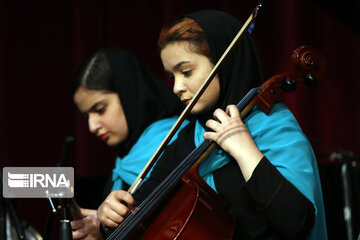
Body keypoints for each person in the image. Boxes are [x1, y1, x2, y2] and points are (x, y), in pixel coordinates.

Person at [97, 10, 327, 239]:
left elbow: (296, 221)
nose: (177, 87)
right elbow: (140, 212)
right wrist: (112, 217)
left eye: (186, 71)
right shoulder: (191, 138)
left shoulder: (273, 128)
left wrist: (246, 151)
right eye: (172, 77)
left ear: (223, 63)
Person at [70, 48, 188, 239]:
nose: (92, 126)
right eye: (86, 116)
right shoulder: (123, 161)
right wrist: (101, 231)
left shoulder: (181, 141)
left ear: (128, 93)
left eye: (100, 109)